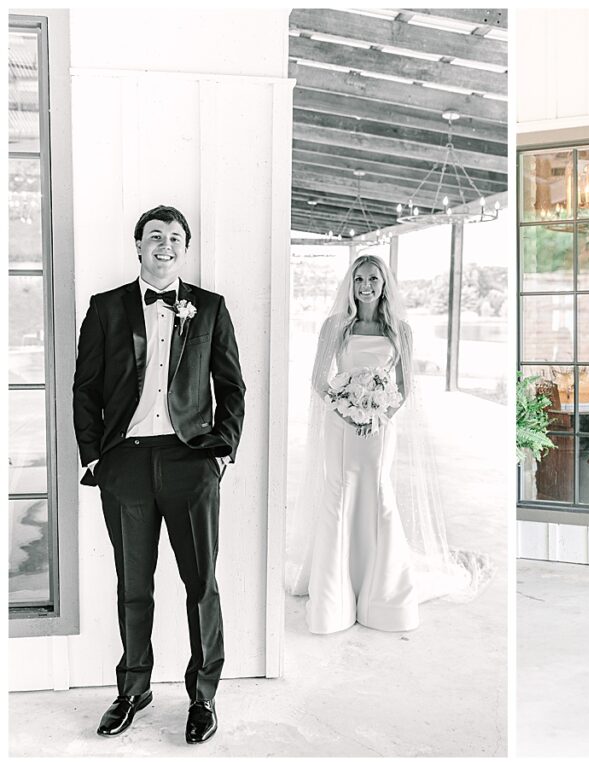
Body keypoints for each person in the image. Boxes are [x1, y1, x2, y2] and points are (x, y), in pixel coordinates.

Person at [72, 205, 245, 743]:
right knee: (133, 585)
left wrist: (221, 451)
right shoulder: (105, 308)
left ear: (184, 249)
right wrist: (94, 455)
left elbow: (232, 387)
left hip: (190, 460)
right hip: (124, 463)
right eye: (155, 236)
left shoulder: (210, 308)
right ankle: (133, 689)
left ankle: (204, 696)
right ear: (139, 245)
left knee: (201, 585)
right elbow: (85, 388)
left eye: (174, 238)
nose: (164, 245)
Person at [287, 254, 488, 633]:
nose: (366, 286)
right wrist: (348, 412)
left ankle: (382, 595)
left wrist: (377, 416)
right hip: (340, 426)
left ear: (384, 285)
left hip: (380, 428)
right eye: (359, 279)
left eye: (373, 280)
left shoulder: (400, 330)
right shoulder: (334, 326)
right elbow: (318, 379)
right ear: (351, 284)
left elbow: (405, 387)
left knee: (378, 493)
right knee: (339, 492)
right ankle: (334, 599)